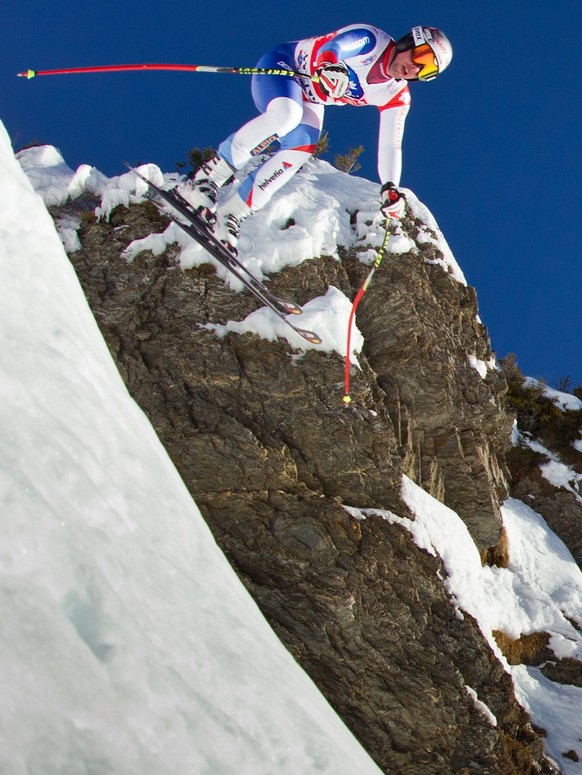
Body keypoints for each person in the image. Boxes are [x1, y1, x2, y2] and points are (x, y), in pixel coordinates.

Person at [188, 24, 452, 255]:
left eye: (426, 71)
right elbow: (335, 46)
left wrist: (391, 186)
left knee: (301, 149)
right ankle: (207, 178)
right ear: (410, 41)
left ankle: (231, 213)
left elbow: (390, 145)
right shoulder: (372, 41)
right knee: (287, 115)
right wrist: (329, 64)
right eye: (422, 56)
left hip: (310, 97)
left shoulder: (396, 95)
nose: (415, 68)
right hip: (284, 66)